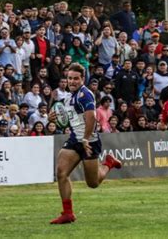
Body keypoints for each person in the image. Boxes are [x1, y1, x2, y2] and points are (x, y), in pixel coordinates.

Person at [50, 64, 122, 225]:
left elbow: (92, 118)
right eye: (70, 78)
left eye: (76, 78)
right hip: (75, 139)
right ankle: (67, 213)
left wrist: (86, 139)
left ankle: (108, 163)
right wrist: (51, 117)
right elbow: (62, 115)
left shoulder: (85, 95)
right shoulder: (68, 97)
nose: (72, 81)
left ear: (82, 79)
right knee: (61, 173)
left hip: (90, 141)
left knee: (93, 183)